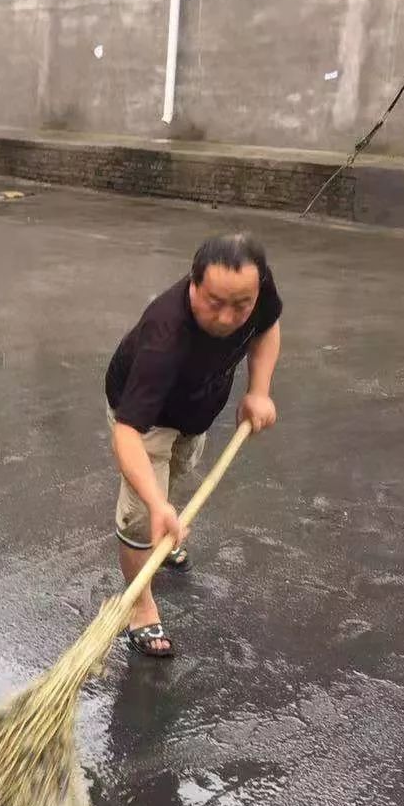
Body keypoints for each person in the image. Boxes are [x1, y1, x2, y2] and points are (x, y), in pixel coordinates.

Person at [105, 233, 281, 658]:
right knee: (142, 516)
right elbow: (126, 433)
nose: (228, 318)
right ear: (193, 284)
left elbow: (269, 325)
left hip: (197, 408)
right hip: (145, 418)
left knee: (177, 475)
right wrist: (155, 504)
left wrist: (259, 390)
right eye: (215, 303)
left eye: (241, 305)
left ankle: (164, 527)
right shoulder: (164, 335)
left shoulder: (254, 289)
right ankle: (140, 605)